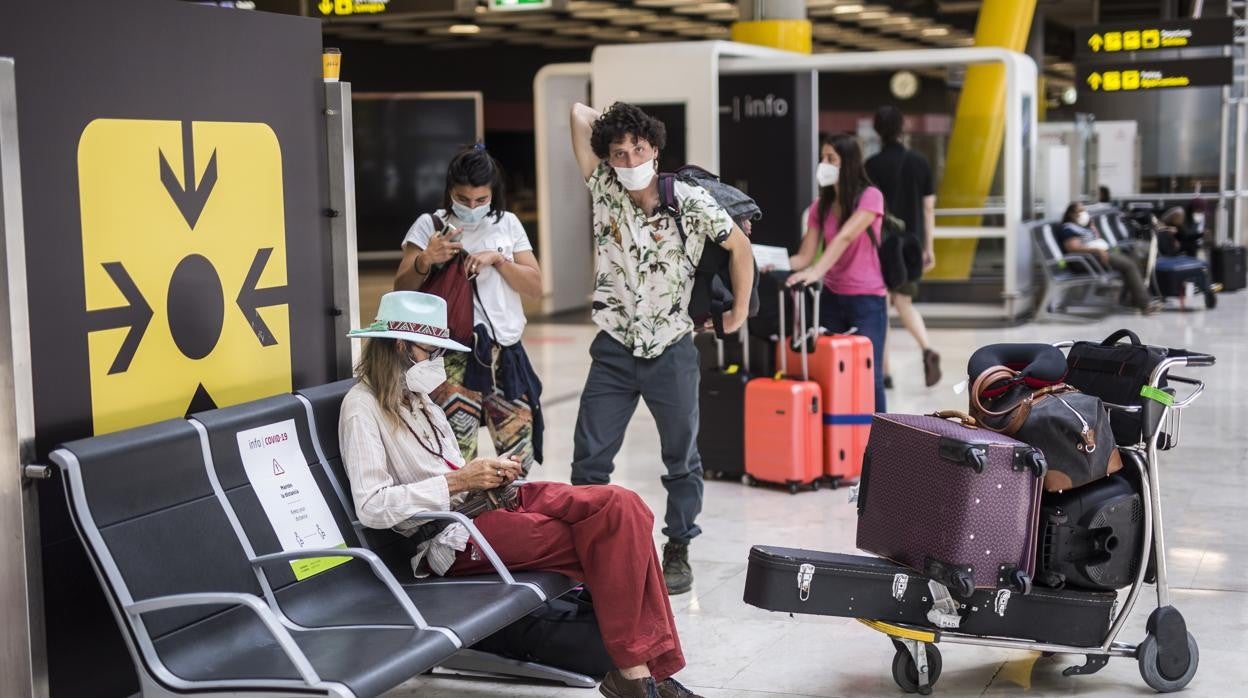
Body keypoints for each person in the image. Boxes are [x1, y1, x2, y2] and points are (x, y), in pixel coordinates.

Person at [339, 291, 702, 698]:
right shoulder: (362, 408)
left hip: (485, 503)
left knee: (625, 508)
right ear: (402, 346)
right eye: (432, 350)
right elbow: (371, 506)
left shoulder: (421, 401)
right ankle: (641, 675)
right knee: (612, 538)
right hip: (450, 537)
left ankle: (637, 675)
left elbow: (451, 471)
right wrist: (459, 482)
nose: (438, 361)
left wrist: (486, 473)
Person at [568, 101, 754, 596]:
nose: (629, 161)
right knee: (589, 458)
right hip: (613, 346)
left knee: (681, 457)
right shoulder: (604, 188)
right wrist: (617, 124)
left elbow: (740, 248)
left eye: (639, 149)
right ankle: (587, 545)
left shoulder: (689, 201)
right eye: (619, 153)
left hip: (671, 347)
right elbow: (577, 112)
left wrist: (739, 310)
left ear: (656, 150)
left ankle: (678, 546)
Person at [394, 145, 545, 472]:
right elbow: (400, 290)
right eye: (463, 200)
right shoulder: (429, 225)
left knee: (518, 459)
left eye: (481, 200)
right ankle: (465, 522)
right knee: (455, 458)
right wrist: (425, 259)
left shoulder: (508, 224)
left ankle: (511, 520)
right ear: (450, 192)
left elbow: (535, 287)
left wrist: (499, 260)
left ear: (493, 194)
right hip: (449, 357)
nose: (472, 207)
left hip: (504, 355)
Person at [787, 133, 889, 413]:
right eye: (823, 158)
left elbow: (844, 238)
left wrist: (816, 272)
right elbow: (805, 256)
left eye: (831, 158)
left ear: (849, 163)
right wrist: (768, 261)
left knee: (870, 376)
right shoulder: (820, 207)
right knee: (830, 372)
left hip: (867, 301)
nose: (824, 164)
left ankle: (881, 445)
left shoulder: (871, 197)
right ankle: (839, 439)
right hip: (832, 299)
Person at [865, 106, 940, 389]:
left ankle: (885, 372)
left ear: (877, 130)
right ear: (902, 128)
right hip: (911, 247)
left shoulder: (871, 166)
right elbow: (929, 208)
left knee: (881, 304)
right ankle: (926, 348)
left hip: (881, 247)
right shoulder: (919, 163)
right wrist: (928, 247)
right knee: (905, 303)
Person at [1058, 202, 1160, 314]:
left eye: (1084, 210)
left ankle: (1132, 299)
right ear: (1071, 214)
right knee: (1129, 265)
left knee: (1134, 258)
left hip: (1097, 255)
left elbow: (1095, 239)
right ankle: (1144, 304)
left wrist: (1092, 226)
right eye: (1079, 211)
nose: (1083, 214)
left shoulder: (1082, 226)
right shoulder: (1068, 228)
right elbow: (1073, 248)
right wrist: (1097, 250)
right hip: (1086, 260)